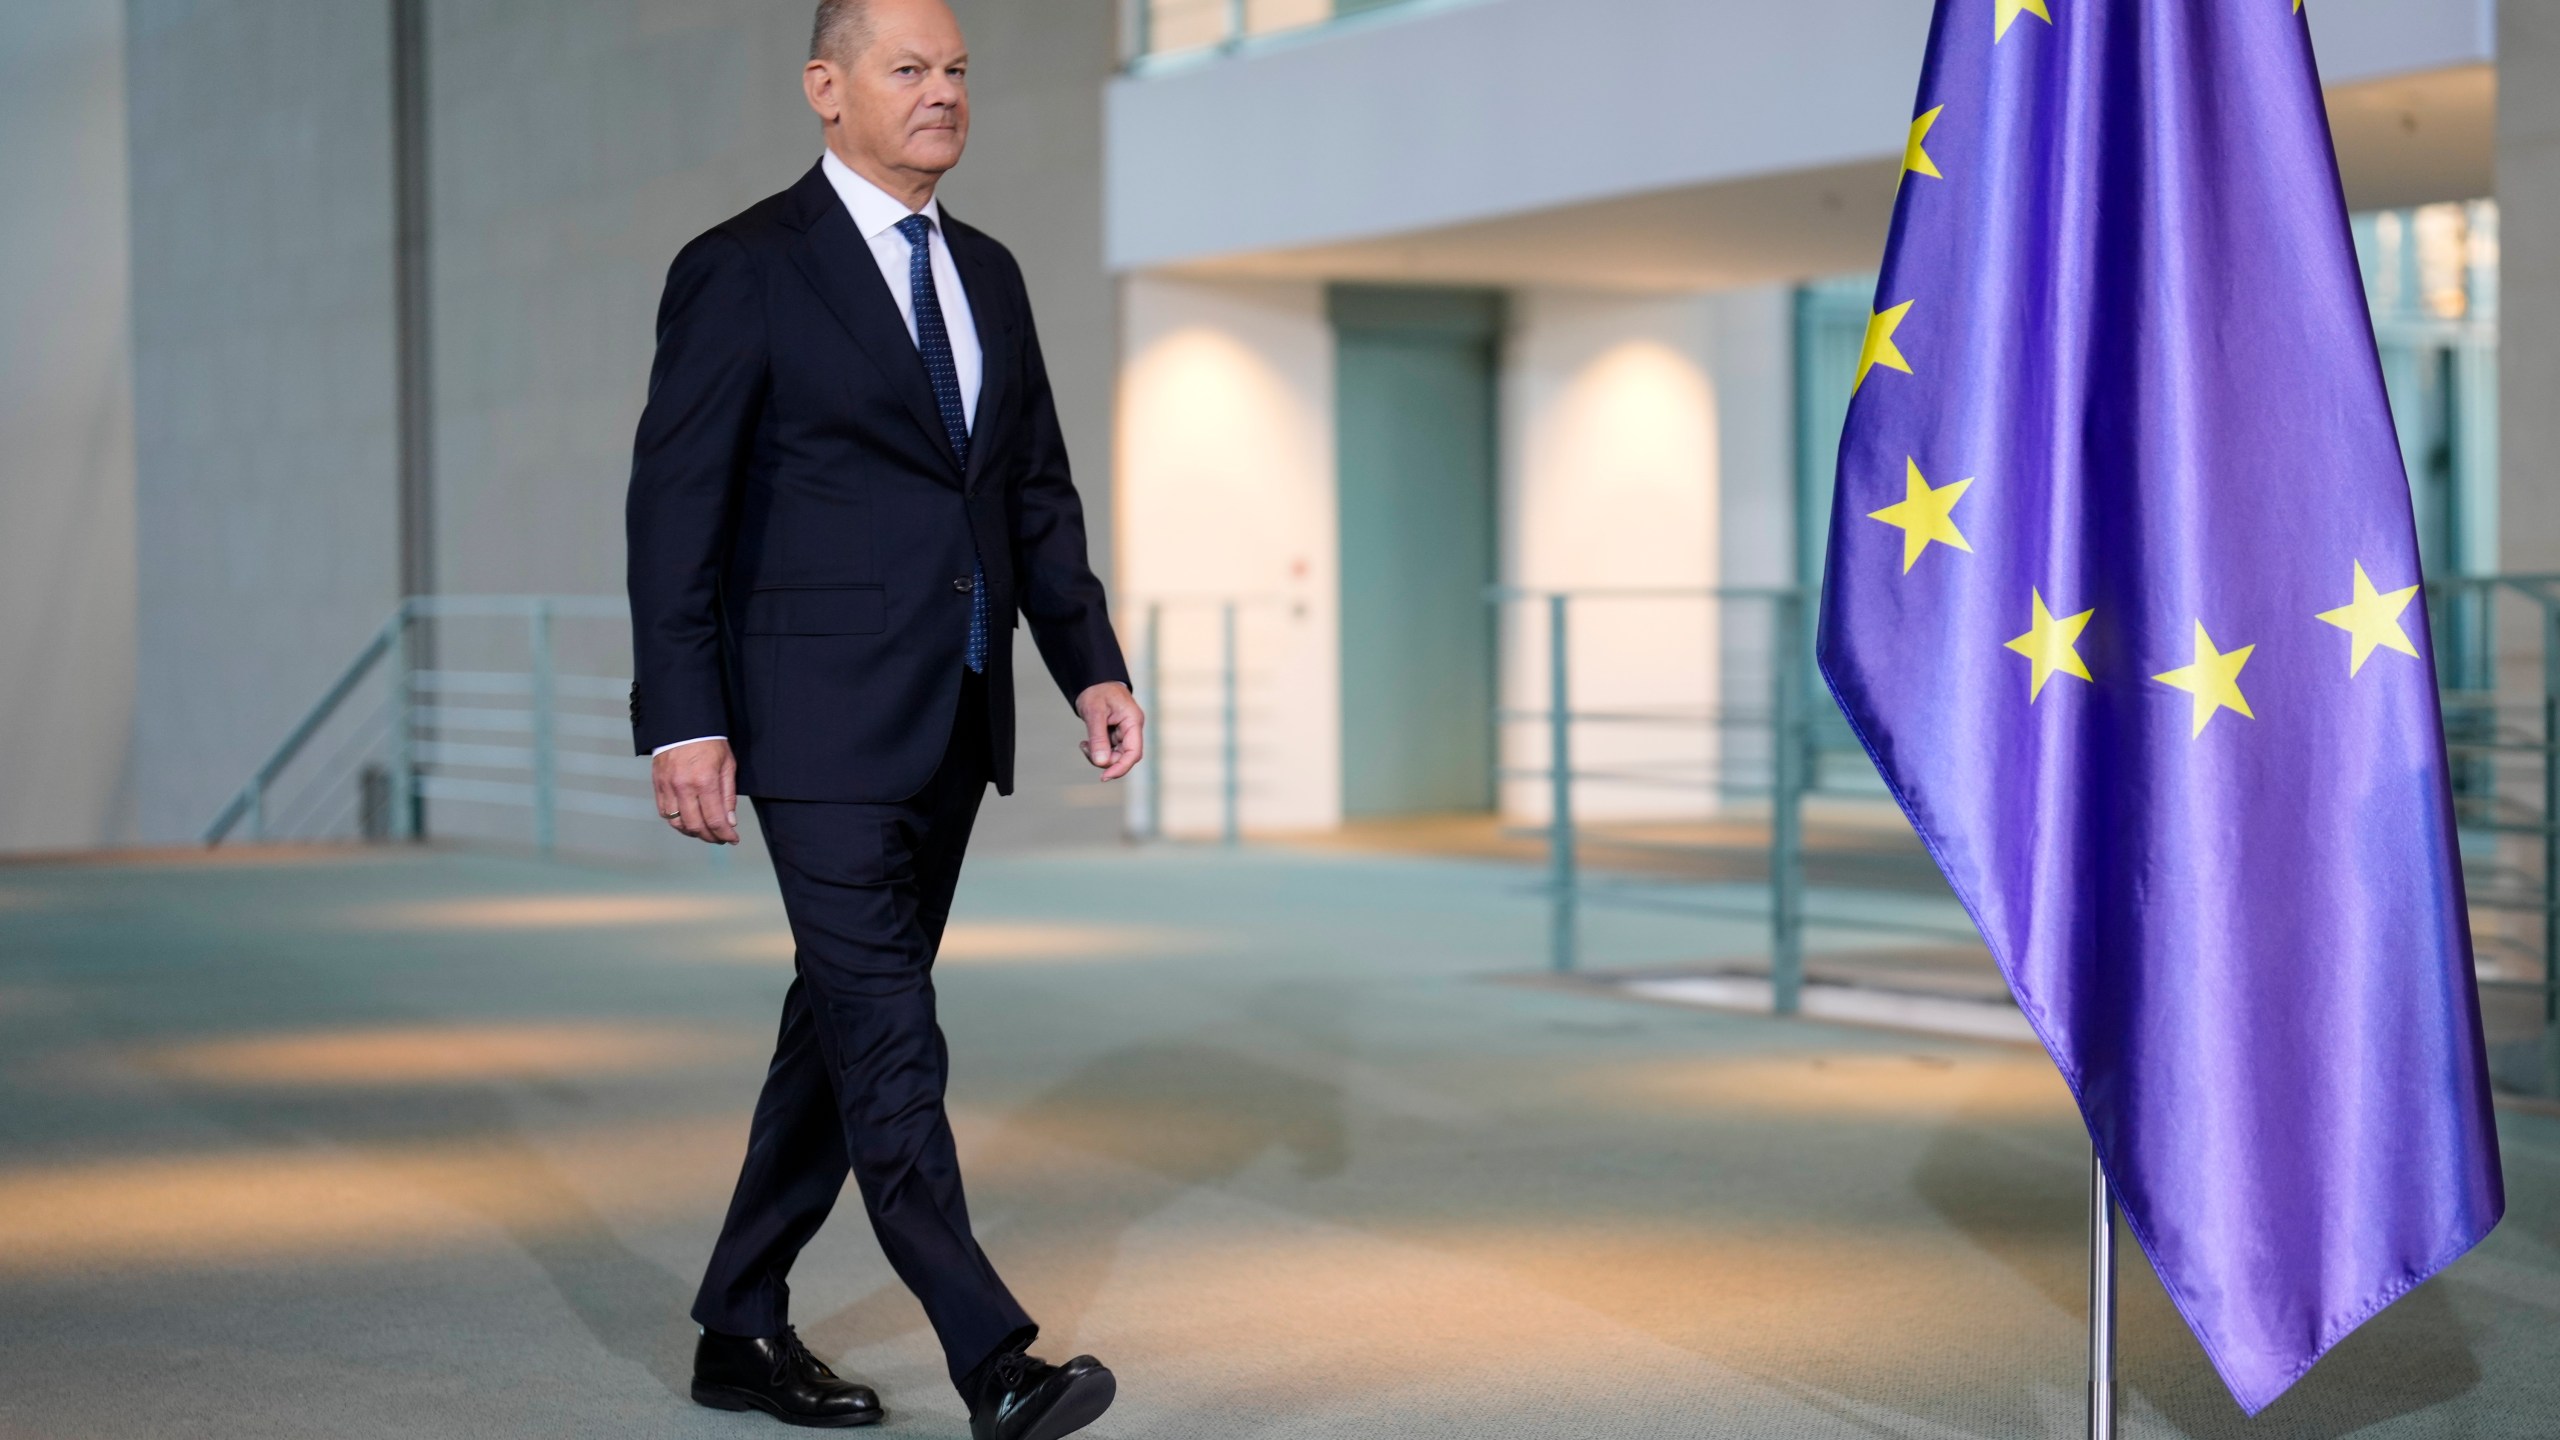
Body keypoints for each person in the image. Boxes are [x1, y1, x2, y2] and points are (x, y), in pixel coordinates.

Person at [623, 0, 1141, 1433]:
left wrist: (1086, 660)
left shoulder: (987, 271)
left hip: (955, 716)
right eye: (908, 68)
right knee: (895, 1034)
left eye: (958, 68)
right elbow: (678, 508)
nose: (943, 92)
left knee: (841, 1026)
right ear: (824, 89)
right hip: (811, 723)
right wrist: (683, 718)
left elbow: (1031, 488)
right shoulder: (743, 268)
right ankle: (994, 1355)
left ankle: (739, 1321)